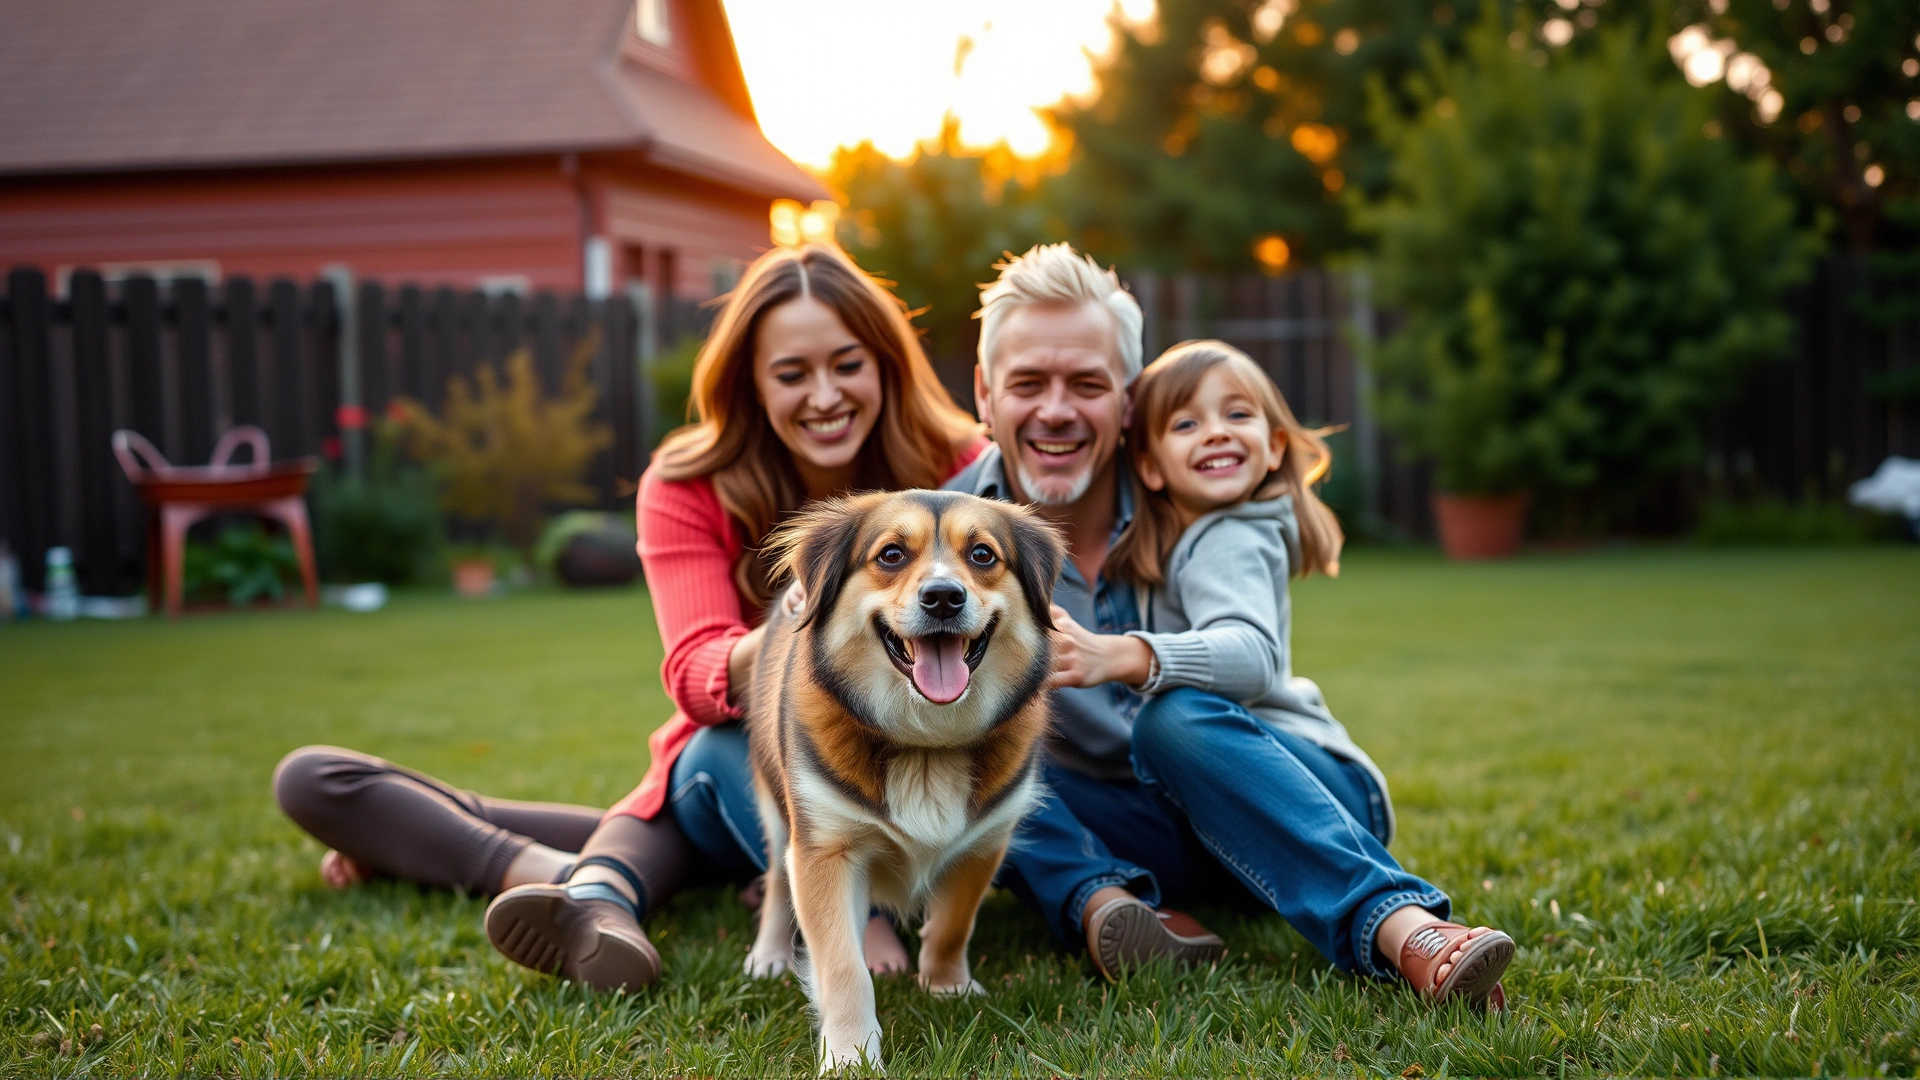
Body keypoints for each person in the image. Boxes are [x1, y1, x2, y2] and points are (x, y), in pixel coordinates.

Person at [274, 242, 986, 991]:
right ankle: (579, 877)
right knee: (314, 780)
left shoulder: (957, 473)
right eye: (791, 373)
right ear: (749, 383)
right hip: (732, 782)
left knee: (698, 781)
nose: (824, 395)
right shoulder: (689, 484)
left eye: (847, 364)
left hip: (867, 792)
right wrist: (796, 632)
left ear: (885, 364)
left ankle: (597, 883)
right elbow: (698, 673)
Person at [946, 243, 1512, 1006]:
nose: (1055, 409)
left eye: (1086, 383)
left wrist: (1127, 655)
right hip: (1147, 836)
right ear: (985, 392)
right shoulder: (941, 537)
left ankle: (1405, 927)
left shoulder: (1197, 493)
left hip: (1297, 791)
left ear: (1129, 400)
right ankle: (1110, 910)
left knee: (1170, 722)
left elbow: (1254, 656)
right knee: (972, 761)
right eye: (1027, 384)